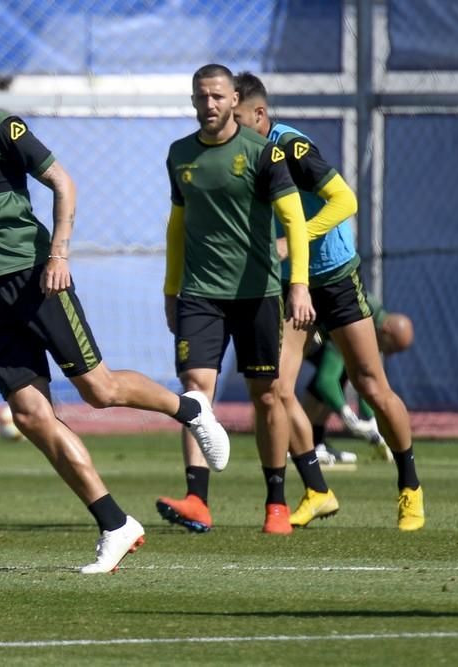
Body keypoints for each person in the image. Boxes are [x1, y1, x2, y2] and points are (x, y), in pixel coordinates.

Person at [0, 43, 228, 574]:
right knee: (31, 415)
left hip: (35, 276)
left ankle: (191, 408)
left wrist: (58, 253)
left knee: (99, 390)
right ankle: (115, 523)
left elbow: (63, 183)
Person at [228, 72, 421, 530]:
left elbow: (345, 201)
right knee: (274, 389)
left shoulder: (291, 148)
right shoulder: (238, 155)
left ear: (259, 114)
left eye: (238, 118)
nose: (230, 128)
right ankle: (317, 490)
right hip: (289, 282)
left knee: (370, 383)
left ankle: (410, 485)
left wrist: (292, 242)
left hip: (334, 275)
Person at [154, 64, 323, 537]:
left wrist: (299, 283)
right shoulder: (179, 155)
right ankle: (196, 500)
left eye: (217, 97)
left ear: (234, 101)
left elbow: (291, 218)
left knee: (267, 396)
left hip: (258, 294)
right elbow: (176, 228)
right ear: (193, 101)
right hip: (200, 295)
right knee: (195, 391)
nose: (209, 105)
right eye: (201, 97)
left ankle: (275, 502)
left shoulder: (263, 153)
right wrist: (171, 290)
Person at [304, 295, 415, 465]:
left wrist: (373, 424)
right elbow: (325, 381)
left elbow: (366, 383)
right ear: (386, 330)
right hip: (303, 324)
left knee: (341, 376)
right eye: (391, 348)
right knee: (331, 379)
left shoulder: (373, 324)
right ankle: (297, 443)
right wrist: (347, 414)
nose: (389, 354)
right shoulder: (358, 322)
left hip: (321, 327)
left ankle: (315, 441)